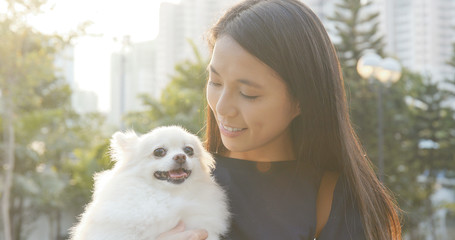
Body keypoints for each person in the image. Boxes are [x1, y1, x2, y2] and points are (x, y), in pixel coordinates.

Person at [158, 0, 402, 239]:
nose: (222, 107)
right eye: (216, 82)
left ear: (301, 101)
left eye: (248, 94)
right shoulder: (171, 177)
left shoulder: (337, 201)